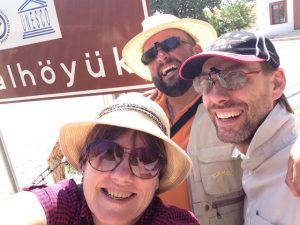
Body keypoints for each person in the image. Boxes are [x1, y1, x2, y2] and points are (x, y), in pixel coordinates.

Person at [0, 93, 200, 225]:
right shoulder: (63, 204)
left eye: (146, 160)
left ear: (158, 180)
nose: (122, 176)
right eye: (106, 153)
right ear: (84, 164)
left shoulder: (174, 221)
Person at [123, 13, 245, 224]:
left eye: (170, 43)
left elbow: (277, 131)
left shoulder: (230, 104)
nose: (161, 56)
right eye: (150, 55)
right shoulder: (139, 114)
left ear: (197, 51)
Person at [180, 30, 300, 224]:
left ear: (276, 84)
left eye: (235, 76)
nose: (217, 96)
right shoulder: (250, 156)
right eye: (206, 81)